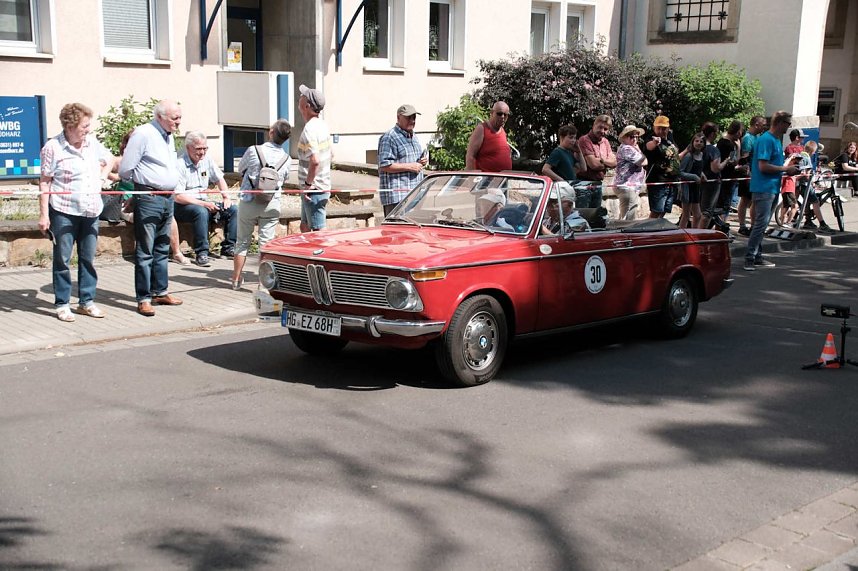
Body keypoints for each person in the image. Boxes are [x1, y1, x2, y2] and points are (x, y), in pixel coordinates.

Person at [38, 102, 114, 322]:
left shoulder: (91, 142)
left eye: (88, 125)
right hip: (64, 210)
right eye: (84, 126)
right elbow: (45, 183)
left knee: (88, 258)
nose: (88, 130)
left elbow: (109, 158)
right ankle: (62, 304)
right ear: (70, 126)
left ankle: (86, 302)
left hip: (91, 210)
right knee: (62, 259)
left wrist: (102, 176)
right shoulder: (53, 147)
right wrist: (44, 215)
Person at [118, 99, 184, 316]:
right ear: (160, 117)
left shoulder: (168, 135)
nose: (178, 122)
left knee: (162, 248)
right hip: (149, 197)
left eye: (179, 117)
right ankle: (143, 298)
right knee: (145, 250)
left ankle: (160, 291)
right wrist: (138, 192)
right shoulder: (143, 134)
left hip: (167, 198)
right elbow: (126, 168)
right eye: (175, 118)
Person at [231, 119, 292, 290]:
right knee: (266, 243)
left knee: (242, 241)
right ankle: (262, 283)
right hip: (271, 202)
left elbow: (240, 168)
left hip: (250, 200)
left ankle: (236, 279)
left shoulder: (253, 150)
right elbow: (284, 179)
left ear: (271, 132)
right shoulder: (287, 158)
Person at [744, 110, 799, 272]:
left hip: (771, 187)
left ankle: (757, 256)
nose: (789, 127)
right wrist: (785, 169)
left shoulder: (774, 140)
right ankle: (750, 257)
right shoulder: (766, 140)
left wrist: (787, 168)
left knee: (763, 224)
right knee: (760, 224)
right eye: (788, 123)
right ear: (780, 123)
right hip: (763, 187)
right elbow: (763, 166)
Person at [173, 131, 237, 267]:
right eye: (198, 149)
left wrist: (226, 197)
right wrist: (204, 204)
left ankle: (229, 248)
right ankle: (201, 253)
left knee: (233, 209)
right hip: (184, 205)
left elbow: (220, 179)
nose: (202, 152)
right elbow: (178, 196)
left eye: (204, 148)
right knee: (200, 211)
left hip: (204, 201)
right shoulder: (179, 165)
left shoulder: (207, 160)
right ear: (188, 148)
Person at [377, 104, 427, 216]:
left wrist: (421, 162)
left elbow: (414, 161)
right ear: (398, 118)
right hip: (397, 199)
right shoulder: (390, 137)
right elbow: (384, 165)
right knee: (397, 232)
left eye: (414, 117)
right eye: (408, 117)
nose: (412, 120)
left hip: (415, 195)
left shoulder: (414, 136)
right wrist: (410, 166)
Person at [297, 84, 332, 232]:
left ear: (307, 105)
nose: (299, 97)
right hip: (317, 187)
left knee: (318, 234)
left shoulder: (310, 129)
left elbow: (315, 160)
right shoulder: (322, 125)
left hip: (314, 190)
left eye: (302, 96)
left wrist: (308, 184)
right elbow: (332, 153)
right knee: (304, 227)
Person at [642, 115, 681, 219]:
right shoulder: (651, 137)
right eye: (658, 128)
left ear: (668, 128)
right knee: (656, 210)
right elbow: (648, 146)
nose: (661, 131)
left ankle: (657, 229)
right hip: (658, 181)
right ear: (654, 127)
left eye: (664, 128)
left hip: (672, 180)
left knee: (664, 210)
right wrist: (655, 142)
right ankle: (648, 231)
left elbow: (676, 154)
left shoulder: (670, 137)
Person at [576, 115, 616, 208]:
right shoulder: (584, 140)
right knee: (584, 214)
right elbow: (593, 164)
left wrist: (602, 160)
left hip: (598, 183)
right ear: (594, 125)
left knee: (595, 215)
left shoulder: (605, 142)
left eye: (605, 129)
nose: (602, 131)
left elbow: (614, 163)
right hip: (584, 183)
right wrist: (607, 163)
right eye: (600, 127)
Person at [737, 115, 767, 236]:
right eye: (763, 125)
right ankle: (743, 225)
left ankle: (753, 225)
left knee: (753, 200)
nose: (764, 127)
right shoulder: (748, 138)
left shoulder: (757, 137)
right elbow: (745, 157)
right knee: (746, 200)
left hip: (756, 173)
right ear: (756, 124)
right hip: (749, 174)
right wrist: (748, 173)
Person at [796, 140, 834, 233]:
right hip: (805, 184)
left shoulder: (800, 155)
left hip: (799, 184)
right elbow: (806, 173)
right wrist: (811, 177)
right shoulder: (807, 158)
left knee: (806, 202)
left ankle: (808, 221)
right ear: (813, 151)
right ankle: (822, 224)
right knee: (815, 202)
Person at [466, 101, 512, 173]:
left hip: (502, 180)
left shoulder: (502, 131)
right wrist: (472, 178)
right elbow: (470, 156)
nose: (502, 117)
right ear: (492, 113)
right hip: (486, 181)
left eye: (505, 115)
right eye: (499, 114)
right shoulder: (482, 129)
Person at [614, 125, 647, 220]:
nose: (635, 139)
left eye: (637, 137)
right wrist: (640, 151)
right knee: (629, 219)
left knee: (625, 217)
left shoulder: (630, 148)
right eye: (632, 136)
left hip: (629, 187)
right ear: (624, 137)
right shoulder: (626, 149)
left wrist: (638, 149)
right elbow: (643, 162)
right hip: (627, 187)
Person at [678, 132, 706, 229]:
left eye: (701, 142)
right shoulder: (689, 156)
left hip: (696, 188)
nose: (698, 143)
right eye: (696, 141)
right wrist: (694, 177)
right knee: (686, 215)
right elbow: (680, 172)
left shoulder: (702, 155)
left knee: (698, 215)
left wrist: (702, 175)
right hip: (687, 188)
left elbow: (699, 169)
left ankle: (693, 234)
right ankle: (680, 235)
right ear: (693, 142)